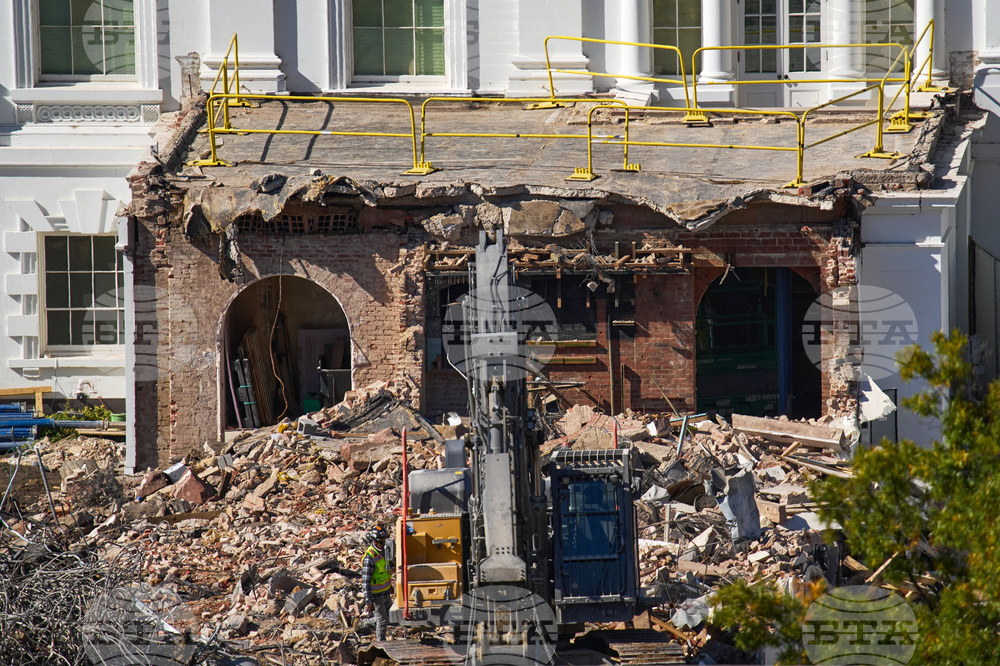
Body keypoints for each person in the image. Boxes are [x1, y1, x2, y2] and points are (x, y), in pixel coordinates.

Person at [360, 524, 393, 641]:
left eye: (385, 542)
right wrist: (369, 601)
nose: (384, 545)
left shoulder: (384, 552)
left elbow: (385, 571)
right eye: (381, 542)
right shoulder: (370, 557)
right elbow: (365, 582)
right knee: (382, 620)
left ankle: (365, 624)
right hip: (376, 595)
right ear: (375, 541)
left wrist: (390, 585)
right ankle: (381, 643)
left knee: (389, 616)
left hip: (385, 592)